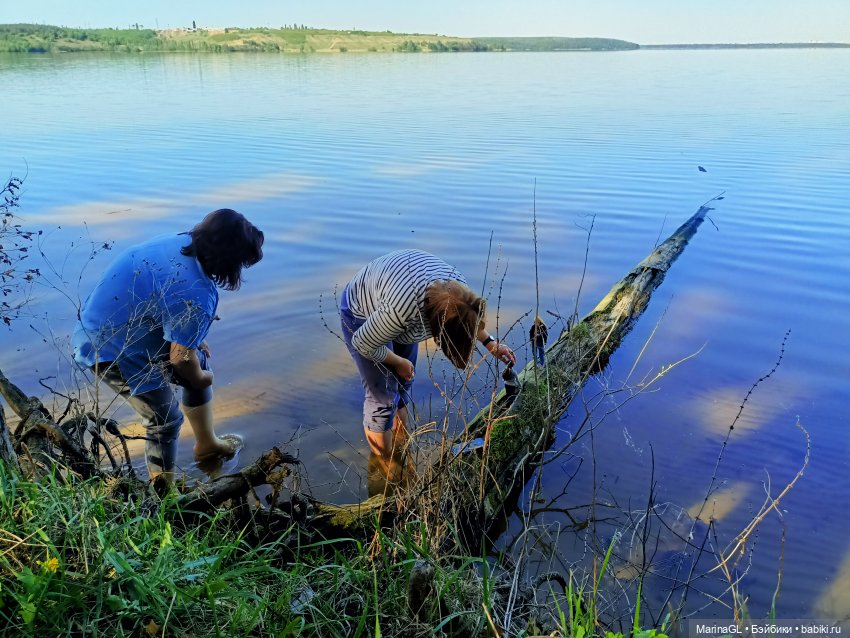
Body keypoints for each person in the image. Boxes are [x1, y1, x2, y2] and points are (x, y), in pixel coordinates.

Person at [73, 209, 264, 480]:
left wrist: (192, 343)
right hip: (107, 347)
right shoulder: (198, 293)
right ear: (228, 261)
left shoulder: (176, 242)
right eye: (240, 264)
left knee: (197, 354)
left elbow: (168, 305)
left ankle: (207, 444)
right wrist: (202, 379)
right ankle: (163, 496)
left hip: (114, 322)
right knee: (165, 419)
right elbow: (181, 360)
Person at [339, 249, 516, 461]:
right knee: (383, 400)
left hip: (399, 299)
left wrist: (491, 344)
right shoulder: (401, 311)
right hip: (363, 313)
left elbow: (466, 318)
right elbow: (363, 343)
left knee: (403, 384)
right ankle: (385, 467)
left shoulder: (460, 290)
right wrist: (398, 361)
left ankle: (402, 450)